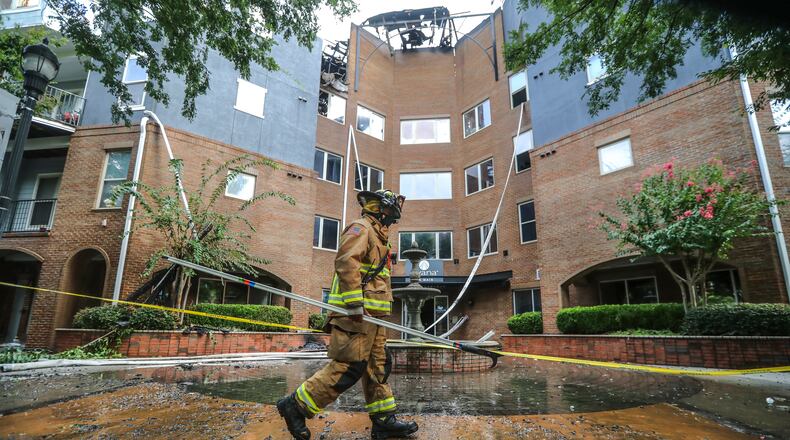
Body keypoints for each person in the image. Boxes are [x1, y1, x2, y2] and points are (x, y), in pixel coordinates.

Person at [277, 189, 418, 440]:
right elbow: (346, 263)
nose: (393, 219)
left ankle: (384, 420)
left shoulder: (379, 236)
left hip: (373, 317)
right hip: (356, 315)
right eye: (392, 214)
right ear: (381, 210)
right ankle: (295, 406)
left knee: (379, 367)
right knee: (349, 367)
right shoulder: (361, 228)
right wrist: (353, 305)